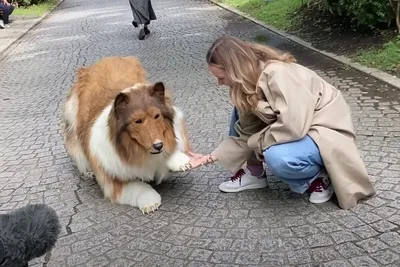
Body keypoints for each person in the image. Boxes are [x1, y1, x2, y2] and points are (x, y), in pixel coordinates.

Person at [187, 36, 376, 209]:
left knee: (278, 157)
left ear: (235, 70)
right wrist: (208, 158)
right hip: (300, 128)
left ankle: (319, 176)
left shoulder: (277, 74)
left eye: (221, 77)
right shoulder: (244, 85)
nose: (219, 83)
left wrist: (257, 143)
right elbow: (245, 132)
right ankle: (254, 174)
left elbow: (293, 126)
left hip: (323, 129)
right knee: (240, 110)